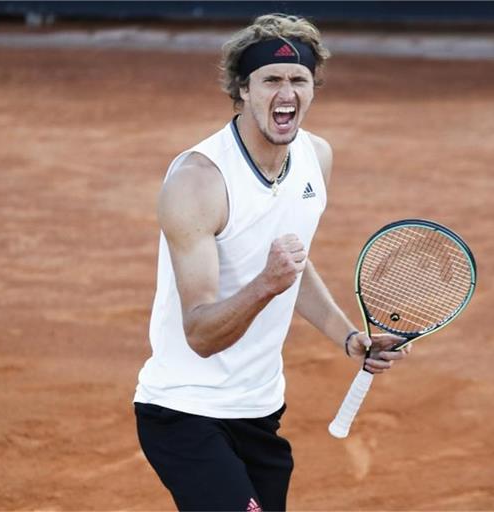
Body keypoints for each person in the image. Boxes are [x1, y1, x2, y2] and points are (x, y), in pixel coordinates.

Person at [133, 13, 410, 512]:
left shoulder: (315, 158)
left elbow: (293, 268)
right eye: (272, 80)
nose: (287, 93)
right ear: (242, 91)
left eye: (299, 79)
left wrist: (350, 338)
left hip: (260, 410)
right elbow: (200, 334)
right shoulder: (198, 181)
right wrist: (266, 283)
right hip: (185, 408)